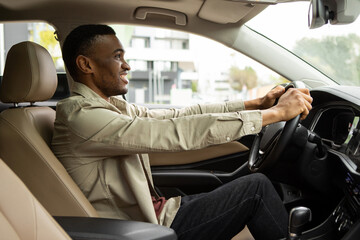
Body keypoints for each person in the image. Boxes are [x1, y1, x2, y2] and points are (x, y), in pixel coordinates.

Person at [52, 24, 312, 240]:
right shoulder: (82, 117)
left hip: (155, 215)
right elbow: (174, 131)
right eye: (117, 56)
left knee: (250, 188)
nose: (127, 66)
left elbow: (179, 115)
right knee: (256, 189)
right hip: (137, 231)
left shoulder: (110, 108)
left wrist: (256, 104)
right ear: (86, 65)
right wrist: (275, 115)